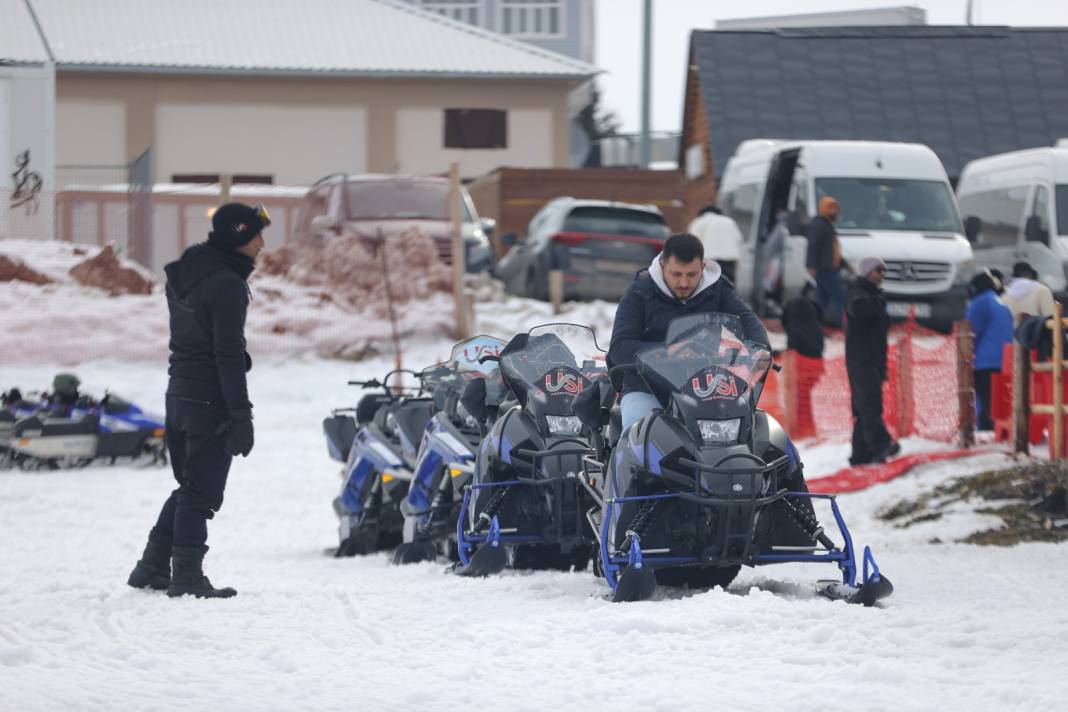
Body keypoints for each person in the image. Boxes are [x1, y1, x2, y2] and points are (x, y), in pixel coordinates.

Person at [127, 202, 269, 599]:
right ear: (239, 235)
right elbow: (225, 353)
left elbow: (202, 337)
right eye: (256, 234)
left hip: (180, 393)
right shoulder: (226, 284)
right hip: (208, 398)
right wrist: (241, 415)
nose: (262, 243)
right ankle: (187, 577)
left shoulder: (191, 273)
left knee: (190, 486)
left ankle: (150, 566)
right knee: (202, 493)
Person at [608, 233, 768, 432]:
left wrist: (760, 349)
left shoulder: (718, 289)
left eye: (691, 275)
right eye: (676, 274)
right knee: (638, 433)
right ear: (662, 266)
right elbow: (618, 348)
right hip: (644, 388)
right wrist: (666, 352)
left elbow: (748, 322)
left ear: (702, 267)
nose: (684, 283)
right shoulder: (639, 292)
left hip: (705, 390)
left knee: (746, 433)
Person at [845, 256, 899, 466]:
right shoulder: (857, 292)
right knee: (870, 405)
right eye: (878, 270)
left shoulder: (873, 294)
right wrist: (878, 303)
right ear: (867, 273)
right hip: (861, 360)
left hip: (873, 360)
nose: (882, 275)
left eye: (884, 271)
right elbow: (859, 309)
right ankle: (881, 444)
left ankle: (860, 454)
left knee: (862, 408)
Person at [966, 270, 1014, 431]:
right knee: (1000, 403)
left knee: (986, 404)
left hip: (983, 362)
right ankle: (1001, 431)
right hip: (1005, 361)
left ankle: (988, 432)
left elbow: (970, 332)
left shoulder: (980, 302)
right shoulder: (1001, 304)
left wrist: (965, 356)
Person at [781, 279, 825, 439]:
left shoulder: (791, 311)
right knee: (805, 398)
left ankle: (801, 430)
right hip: (816, 360)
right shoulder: (814, 312)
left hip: (799, 361)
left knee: (799, 399)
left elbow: (790, 333)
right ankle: (806, 429)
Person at [806, 196, 851, 328]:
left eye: (836, 208)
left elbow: (831, 250)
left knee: (822, 300)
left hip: (828, 268)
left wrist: (845, 264)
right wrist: (811, 265)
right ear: (824, 209)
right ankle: (842, 325)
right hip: (824, 269)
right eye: (830, 208)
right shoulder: (819, 224)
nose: (834, 211)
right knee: (839, 297)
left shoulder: (827, 225)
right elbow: (813, 245)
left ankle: (817, 325)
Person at [687, 204, 744, 284]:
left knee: (709, 286)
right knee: (728, 287)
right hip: (730, 260)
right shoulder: (729, 221)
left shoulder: (699, 221)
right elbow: (739, 240)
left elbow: (692, 243)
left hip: (708, 259)